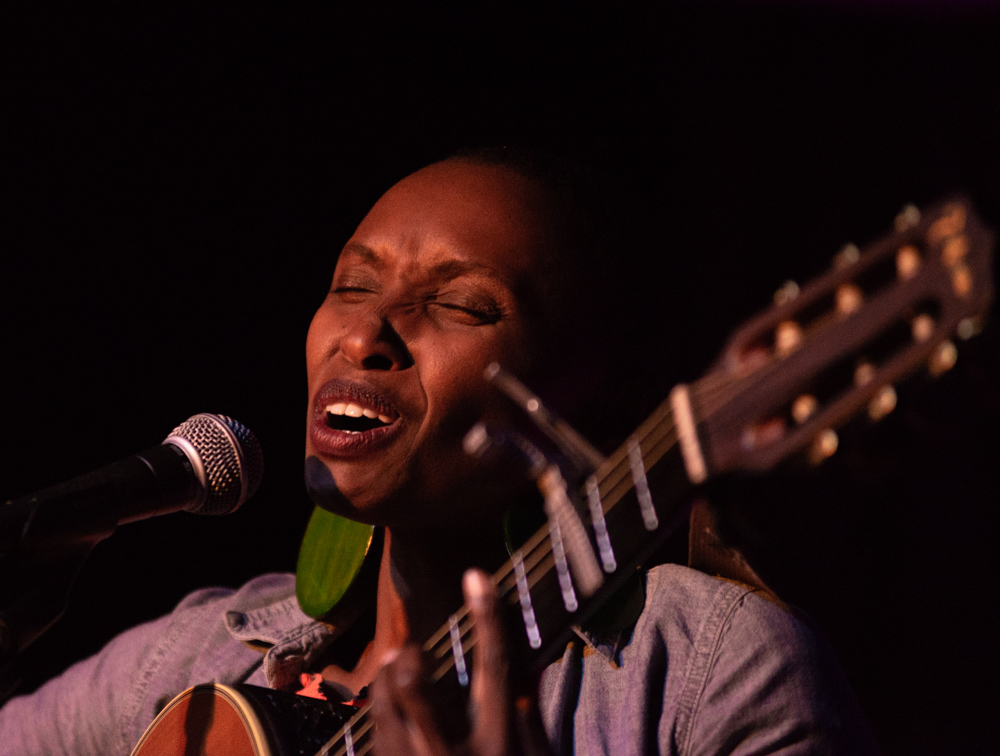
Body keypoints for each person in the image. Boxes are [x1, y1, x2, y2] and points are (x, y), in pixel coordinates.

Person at [0, 150, 879, 755]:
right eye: (351, 284)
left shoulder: (716, 672)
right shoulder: (191, 665)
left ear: (590, 394)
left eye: (463, 305)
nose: (366, 333)